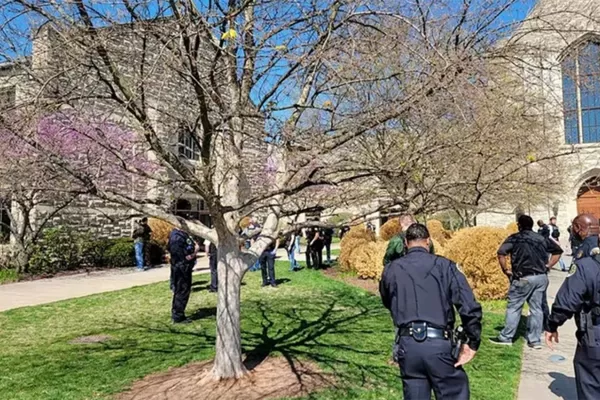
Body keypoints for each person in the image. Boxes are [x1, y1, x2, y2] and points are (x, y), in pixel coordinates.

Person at [379, 223, 482, 400]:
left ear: (406, 243)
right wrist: (472, 341)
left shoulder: (391, 269)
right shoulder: (446, 267)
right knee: (453, 393)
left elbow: (387, 301)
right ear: (428, 241)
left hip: (408, 345)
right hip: (438, 344)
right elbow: (468, 306)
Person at [545, 216, 600, 399]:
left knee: (591, 386)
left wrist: (552, 325)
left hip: (595, 336)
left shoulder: (587, 265)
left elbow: (567, 300)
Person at [490, 214, 562, 349]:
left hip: (523, 277)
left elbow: (501, 253)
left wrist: (506, 270)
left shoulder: (515, 238)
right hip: (541, 277)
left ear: (519, 225)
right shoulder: (541, 238)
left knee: (514, 307)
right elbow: (558, 251)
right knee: (536, 309)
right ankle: (534, 340)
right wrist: (549, 265)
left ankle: (506, 337)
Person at [168, 228, 199, 323]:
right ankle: (178, 315)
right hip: (181, 268)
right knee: (182, 290)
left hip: (184, 266)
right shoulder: (177, 237)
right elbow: (180, 255)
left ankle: (179, 313)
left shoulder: (182, 234)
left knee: (183, 290)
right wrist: (194, 252)